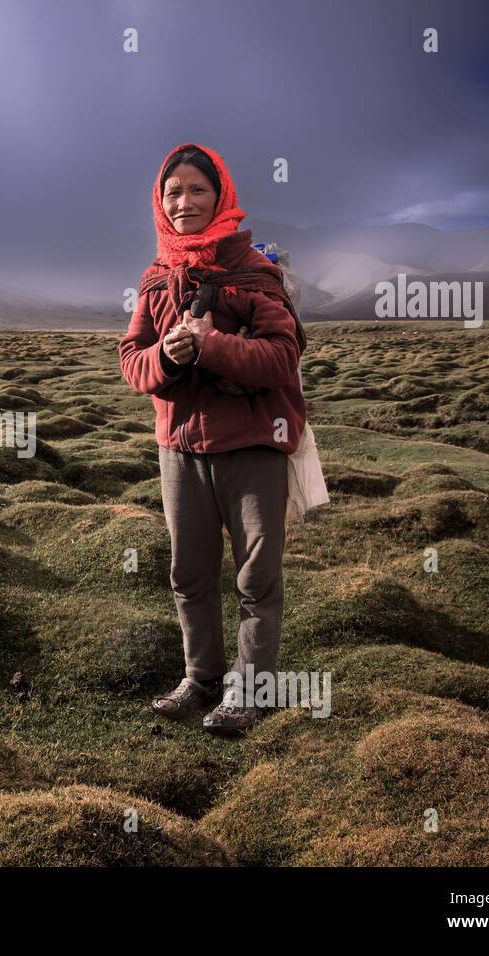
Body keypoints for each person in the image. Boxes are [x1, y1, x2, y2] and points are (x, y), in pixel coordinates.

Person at [118, 143, 308, 737]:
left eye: (197, 189)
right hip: (179, 449)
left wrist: (210, 344)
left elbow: (282, 355)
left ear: (220, 194)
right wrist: (167, 357)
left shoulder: (253, 273)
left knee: (257, 577)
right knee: (190, 573)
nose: (184, 202)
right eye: (172, 192)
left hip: (252, 447)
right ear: (159, 201)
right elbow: (131, 362)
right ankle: (201, 678)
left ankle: (250, 692)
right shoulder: (155, 279)